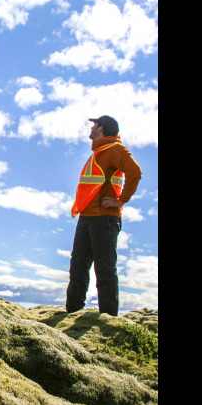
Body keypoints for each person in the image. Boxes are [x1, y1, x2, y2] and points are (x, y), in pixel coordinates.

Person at [66, 115, 142, 316]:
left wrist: (121, 200)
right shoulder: (98, 151)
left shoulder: (115, 149)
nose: (91, 128)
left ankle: (108, 318)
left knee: (105, 269)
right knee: (78, 266)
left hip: (105, 218)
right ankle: (72, 313)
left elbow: (135, 172)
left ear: (101, 128)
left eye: (94, 124)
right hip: (87, 217)